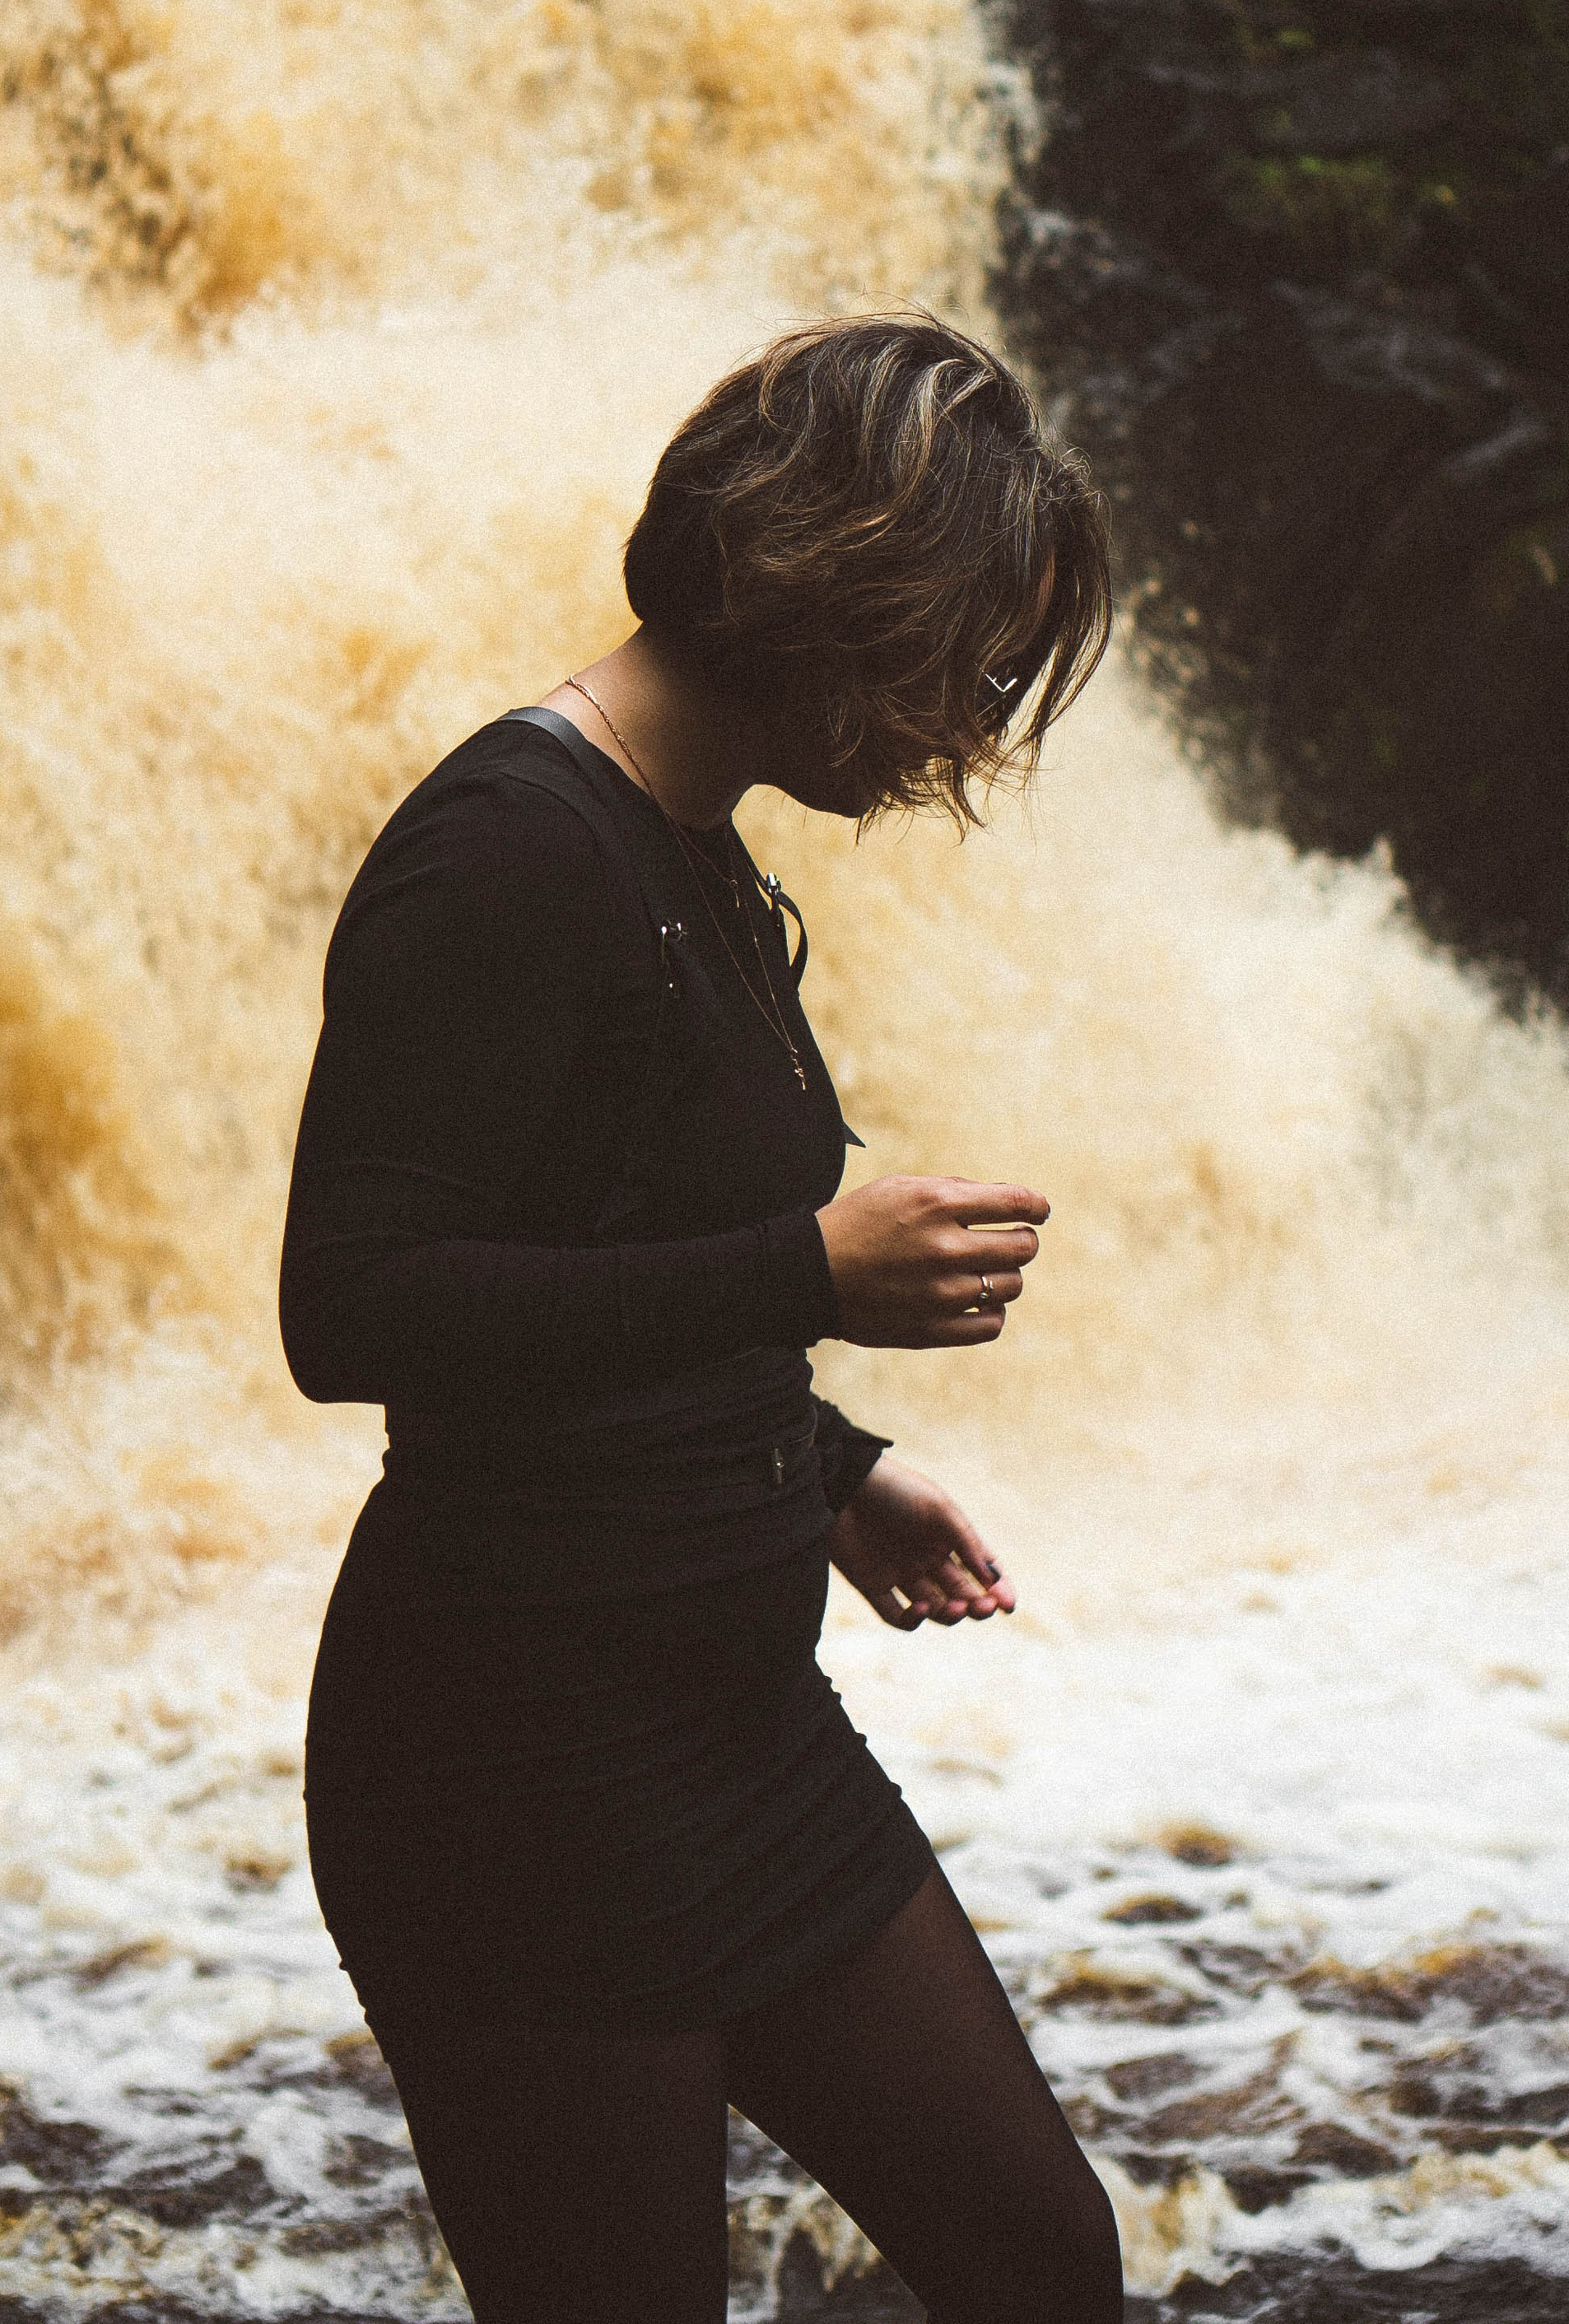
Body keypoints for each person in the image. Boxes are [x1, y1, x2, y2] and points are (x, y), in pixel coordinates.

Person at [281, 314, 1120, 2322]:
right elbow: (355, 1305)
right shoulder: (508, 846)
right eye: (967, 664)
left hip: (730, 1730)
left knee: (1038, 2261)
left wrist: (822, 1466)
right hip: (514, 1767)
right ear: (847, 584)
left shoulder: (685, 843)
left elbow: (602, 1238)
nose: (966, 732)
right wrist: (811, 1275)